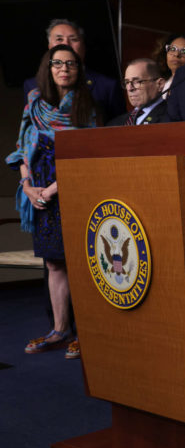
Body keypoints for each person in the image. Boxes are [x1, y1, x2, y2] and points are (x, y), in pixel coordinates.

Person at [7, 44, 98, 360]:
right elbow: (21, 147)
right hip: (38, 195)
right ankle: (60, 330)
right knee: (53, 263)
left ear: (78, 69)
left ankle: (88, 334)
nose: (63, 68)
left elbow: (90, 156)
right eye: (57, 63)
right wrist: (28, 185)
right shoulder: (34, 102)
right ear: (48, 68)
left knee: (79, 263)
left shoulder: (86, 106)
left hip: (72, 191)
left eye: (70, 63)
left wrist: (54, 188)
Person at [23, 19, 122, 123]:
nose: (66, 44)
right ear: (49, 47)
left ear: (83, 46)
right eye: (59, 39)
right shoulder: (32, 86)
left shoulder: (107, 86)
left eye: (73, 39)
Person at [108, 58, 167, 126]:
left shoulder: (173, 117)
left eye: (137, 81)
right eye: (127, 82)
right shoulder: (114, 124)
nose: (130, 88)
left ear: (160, 84)